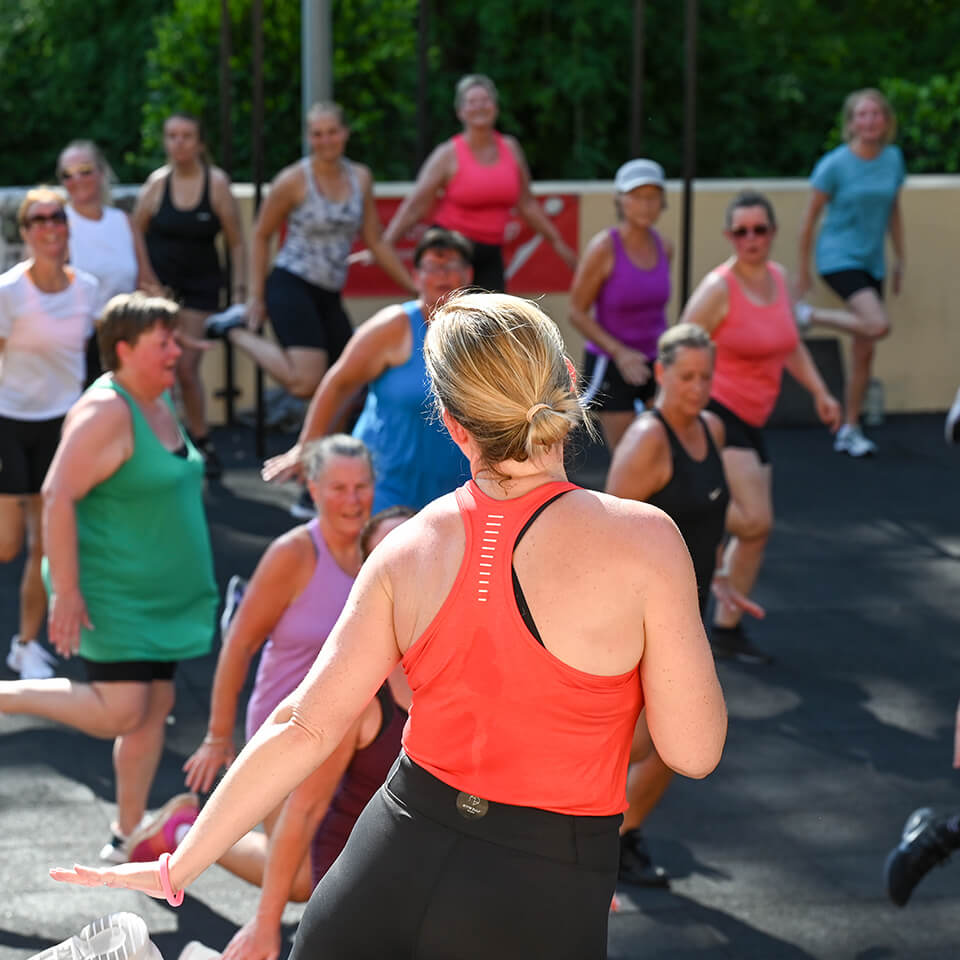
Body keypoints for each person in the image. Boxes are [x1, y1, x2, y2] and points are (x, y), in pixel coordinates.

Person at [52, 291, 727, 960]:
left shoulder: (406, 546)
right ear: (570, 383)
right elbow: (693, 750)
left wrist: (180, 864)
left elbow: (301, 725)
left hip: (389, 861)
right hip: (540, 887)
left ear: (455, 425)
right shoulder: (643, 540)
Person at [1, 292, 218, 861]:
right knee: (122, 708)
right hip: (114, 593)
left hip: (163, 597)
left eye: (175, 339)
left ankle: (126, 834)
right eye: (162, 342)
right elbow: (56, 494)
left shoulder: (158, 400)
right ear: (123, 349)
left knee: (152, 708)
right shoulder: (107, 410)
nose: (175, 350)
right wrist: (66, 591)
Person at [216, 506, 415, 960]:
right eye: (389, 557)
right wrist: (265, 924)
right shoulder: (360, 687)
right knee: (303, 881)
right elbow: (305, 809)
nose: (404, 568)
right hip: (353, 844)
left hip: (421, 858)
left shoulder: (466, 661)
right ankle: (180, 833)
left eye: (411, 552)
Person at [180, 434, 374, 892]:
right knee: (298, 880)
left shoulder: (379, 551)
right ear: (312, 488)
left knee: (347, 866)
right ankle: (190, 830)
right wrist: (217, 736)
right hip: (286, 732)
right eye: (338, 488)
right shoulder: (293, 555)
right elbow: (239, 644)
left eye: (362, 487)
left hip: (354, 736)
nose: (352, 500)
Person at [606, 323, 763, 887]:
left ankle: (615, 835)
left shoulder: (712, 430)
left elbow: (708, 519)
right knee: (655, 743)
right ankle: (580, 833)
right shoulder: (648, 441)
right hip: (642, 621)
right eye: (687, 377)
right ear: (662, 374)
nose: (697, 388)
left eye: (706, 377)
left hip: (686, 612)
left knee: (664, 744)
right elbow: (608, 536)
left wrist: (717, 574)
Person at [681, 190, 841, 663]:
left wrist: (819, 392)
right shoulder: (718, 289)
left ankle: (727, 628)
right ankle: (688, 507)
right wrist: (676, 414)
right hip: (717, 411)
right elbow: (680, 346)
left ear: (772, 233)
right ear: (730, 236)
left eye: (760, 229)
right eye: (742, 231)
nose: (752, 239)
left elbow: (789, 343)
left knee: (755, 533)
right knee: (755, 518)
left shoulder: (779, 278)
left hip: (755, 418)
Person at [204, 102, 414, 402]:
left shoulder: (360, 177)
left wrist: (415, 287)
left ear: (345, 133)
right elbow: (262, 233)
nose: (325, 140)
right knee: (306, 382)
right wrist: (255, 296)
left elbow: (375, 241)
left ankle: (329, 448)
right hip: (292, 282)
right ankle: (234, 333)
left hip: (329, 291)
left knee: (348, 384)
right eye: (317, 134)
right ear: (308, 138)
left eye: (332, 132)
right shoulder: (293, 180)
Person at [261, 227, 472, 513]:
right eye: (433, 267)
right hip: (384, 488)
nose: (443, 275)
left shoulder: (481, 334)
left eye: (452, 267)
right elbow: (339, 383)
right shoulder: (393, 326)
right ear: (416, 277)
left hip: (455, 492)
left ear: (468, 275)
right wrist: (306, 446)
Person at [1, 187, 99, 681]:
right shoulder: (9, 292)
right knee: (6, 546)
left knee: (45, 543)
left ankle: (24, 645)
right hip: (8, 424)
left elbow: (95, 358)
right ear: (24, 233)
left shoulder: (89, 289)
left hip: (61, 428)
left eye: (56, 217)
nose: (49, 227)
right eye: (37, 219)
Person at [381, 74, 577, 291]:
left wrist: (558, 243)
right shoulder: (447, 154)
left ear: (496, 107)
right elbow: (416, 205)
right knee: (451, 319)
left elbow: (527, 204)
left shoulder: (510, 148)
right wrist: (385, 244)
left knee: (494, 319)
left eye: (485, 100)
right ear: (460, 112)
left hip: (491, 250)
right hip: (450, 250)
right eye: (471, 102)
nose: (479, 107)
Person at [134, 112, 247, 475]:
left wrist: (241, 292)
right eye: (171, 136)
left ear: (199, 143)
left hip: (201, 288)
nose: (178, 143)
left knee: (185, 366)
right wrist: (146, 277)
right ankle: (167, 441)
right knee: (157, 365)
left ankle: (201, 439)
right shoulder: (156, 184)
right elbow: (135, 231)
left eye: (186, 136)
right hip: (161, 290)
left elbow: (237, 242)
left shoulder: (215, 184)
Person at [796, 88, 906, 458]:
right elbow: (809, 221)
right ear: (852, 122)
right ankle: (809, 316)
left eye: (876, 113)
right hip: (838, 257)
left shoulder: (893, 159)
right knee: (877, 325)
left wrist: (900, 257)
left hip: (872, 261)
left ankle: (850, 428)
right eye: (862, 114)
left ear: (885, 120)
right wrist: (803, 273)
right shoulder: (835, 164)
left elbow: (893, 210)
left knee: (864, 352)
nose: (870, 120)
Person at [571, 158, 673, 452]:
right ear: (621, 200)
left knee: (663, 450)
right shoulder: (604, 248)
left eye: (653, 196)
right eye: (637, 196)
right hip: (611, 364)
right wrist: (621, 353)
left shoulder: (665, 246)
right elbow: (576, 312)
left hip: (655, 363)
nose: (645, 205)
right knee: (630, 455)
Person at [57, 140, 159, 382]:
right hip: (79, 344)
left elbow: (146, 281)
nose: (77, 180)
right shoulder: (57, 226)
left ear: (101, 173)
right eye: (67, 174)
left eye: (84, 170)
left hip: (125, 337)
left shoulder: (123, 221)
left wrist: (170, 325)